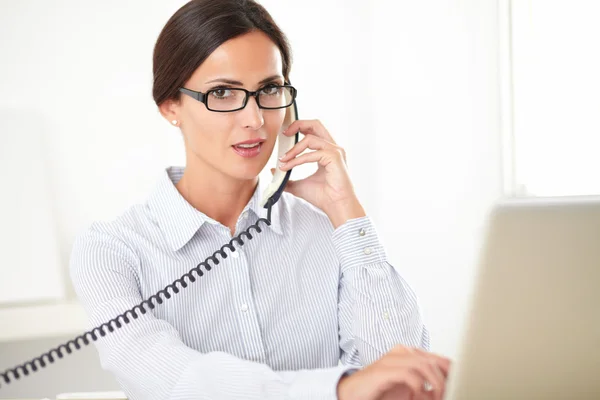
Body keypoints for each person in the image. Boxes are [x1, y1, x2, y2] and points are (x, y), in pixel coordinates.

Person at [69, 0, 450, 399]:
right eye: (222, 92)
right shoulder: (111, 251)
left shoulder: (326, 232)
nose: (254, 119)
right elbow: (176, 381)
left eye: (269, 89)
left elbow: (400, 376)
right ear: (170, 106)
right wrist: (337, 390)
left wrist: (346, 211)